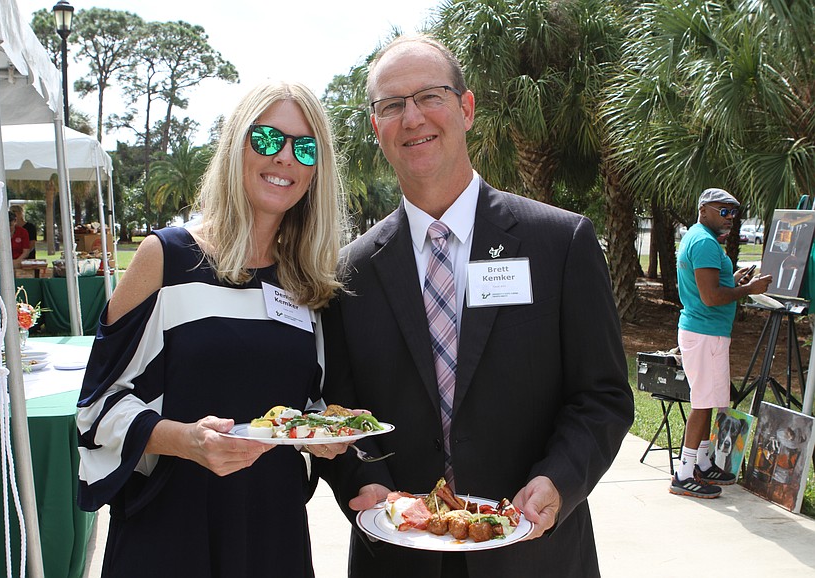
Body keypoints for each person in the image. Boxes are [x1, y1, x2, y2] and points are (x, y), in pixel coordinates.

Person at [318, 35, 634, 577]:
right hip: (398, 555)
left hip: (533, 553)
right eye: (391, 105)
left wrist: (560, 480)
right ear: (377, 128)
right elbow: (339, 416)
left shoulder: (560, 244)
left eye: (429, 96)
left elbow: (602, 396)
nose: (412, 117)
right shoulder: (349, 273)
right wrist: (358, 482)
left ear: (466, 109)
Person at [76, 79, 348, 577]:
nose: (285, 157)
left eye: (304, 147)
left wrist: (319, 433)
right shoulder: (167, 257)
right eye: (267, 139)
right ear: (235, 146)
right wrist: (187, 440)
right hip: (172, 534)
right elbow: (97, 408)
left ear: (316, 171)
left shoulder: (306, 280)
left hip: (273, 534)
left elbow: (300, 405)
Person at [672, 188, 773, 498]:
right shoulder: (703, 242)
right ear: (704, 210)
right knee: (702, 403)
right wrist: (749, 289)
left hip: (708, 333)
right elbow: (711, 296)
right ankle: (685, 473)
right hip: (705, 333)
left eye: (733, 212)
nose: (730, 218)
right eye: (723, 211)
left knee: (710, 399)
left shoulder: (700, 238)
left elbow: (714, 285)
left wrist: (735, 280)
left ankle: (701, 462)